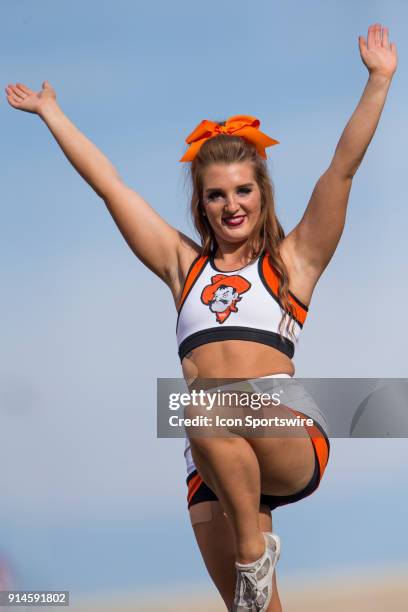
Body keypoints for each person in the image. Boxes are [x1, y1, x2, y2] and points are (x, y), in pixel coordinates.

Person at [5, 22, 397, 612]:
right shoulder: (183, 269)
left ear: (261, 193)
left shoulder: (293, 263)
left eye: (242, 190)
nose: (231, 204)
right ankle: (253, 570)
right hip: (209, 457)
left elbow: (340, 169)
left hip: (284, 431)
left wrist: (379, 81)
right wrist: (51, 113)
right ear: (201, 203)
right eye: (217, 195)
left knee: (197, 402)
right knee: (251, 608)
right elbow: (111, 187)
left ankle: (253, 554)